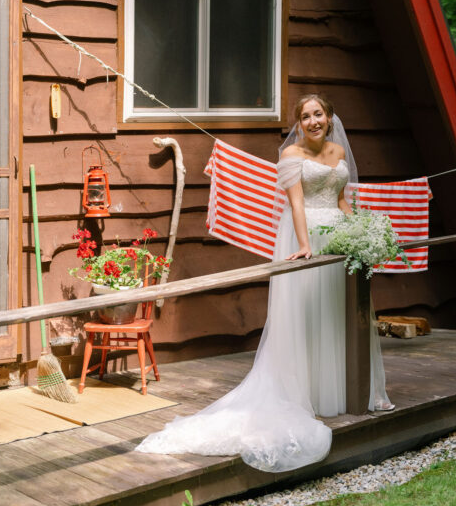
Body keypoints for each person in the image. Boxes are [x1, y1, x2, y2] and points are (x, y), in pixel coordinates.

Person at [135, 94, 393, 473]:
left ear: (330, 116)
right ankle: (307, 393)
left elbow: (342, 201)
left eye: (318, 114)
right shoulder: (289, 157)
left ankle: (344, 390)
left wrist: (359, 233)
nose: (313, 121)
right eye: (305, 117)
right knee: (306, 314)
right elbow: (298, 203)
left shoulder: (339, 151)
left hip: (339, 239)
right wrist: (305, 245)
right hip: (305, 237)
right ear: (299, 124)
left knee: (336, 314)